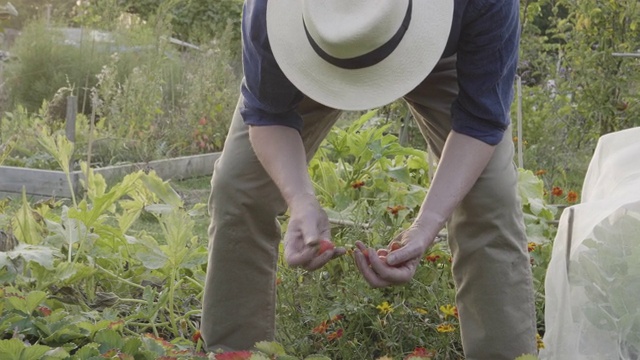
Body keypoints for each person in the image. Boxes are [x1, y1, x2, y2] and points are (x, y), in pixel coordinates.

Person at [200, 0, 538, 359]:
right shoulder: (270, 10)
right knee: (239, 186)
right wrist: (300, 199)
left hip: (443, 52)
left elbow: (480, 121)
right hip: (316, 52)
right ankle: (231, 353)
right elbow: (267, 114)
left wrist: (426, 226)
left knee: (490, 197)